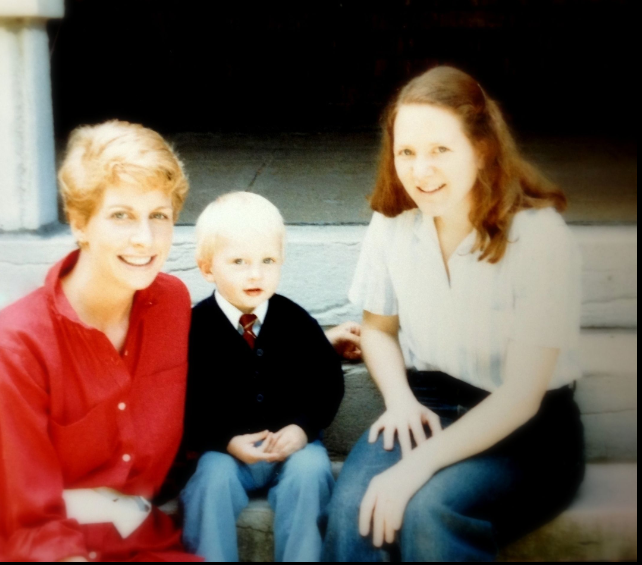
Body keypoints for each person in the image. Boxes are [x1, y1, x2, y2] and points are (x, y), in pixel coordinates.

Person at [322, 66, 585, 562]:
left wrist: (415, 466)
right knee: (355, 506)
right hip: (429, 403)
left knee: (429, 511)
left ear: (481, 148)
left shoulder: (540, 237)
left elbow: (522, 396)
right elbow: (377, 330)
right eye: (407, 153)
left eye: (440, 150)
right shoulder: (394, 223)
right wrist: (399, 401)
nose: (420, 172)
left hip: (529, 433)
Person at [0, 121, 203, 562]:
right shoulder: (18, 346)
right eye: (121, 215)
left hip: (145, 544)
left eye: (159, 216)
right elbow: (28, 523)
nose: (145, 240)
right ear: (79, 222)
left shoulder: (171, 302)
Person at [179, 192, 346, 562]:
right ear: (208, 268)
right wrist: (224, 440)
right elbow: (184, 400)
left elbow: (327, 381)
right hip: (226, 452)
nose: (256, 274)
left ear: (281, 261)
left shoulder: (295, 320)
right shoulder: (195, 328)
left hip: (291, 447)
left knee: (313, 471)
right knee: (209, 481)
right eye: (238, 261)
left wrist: (303, 428)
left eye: (268, 260)